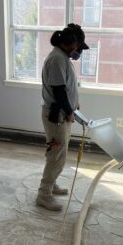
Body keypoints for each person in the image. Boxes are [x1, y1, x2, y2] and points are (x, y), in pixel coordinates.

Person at [36, 23, 89, 211]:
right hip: (57, 116)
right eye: (78, 48)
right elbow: (58, 91)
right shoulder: (57, 60)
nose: (79, 52)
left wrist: (73, 105)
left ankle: (52, 184)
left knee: (60, 154)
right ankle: (44, 195)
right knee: (55, 155)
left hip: (63, 114)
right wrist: (68, 110)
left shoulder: (62, 57)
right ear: (71, 44)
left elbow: (65, 87)